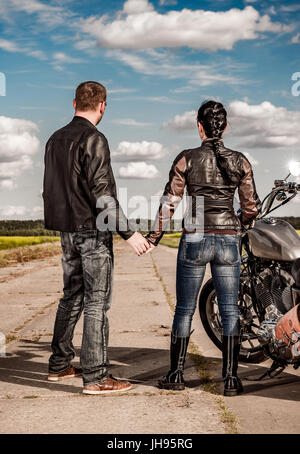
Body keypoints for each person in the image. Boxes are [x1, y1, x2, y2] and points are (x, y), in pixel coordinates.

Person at [146, 100, 262, 396]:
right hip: (228, 239)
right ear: (224, 127)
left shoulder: (187, 158)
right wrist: (237, 222)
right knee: (229, 310)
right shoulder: (240, 161)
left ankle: (175, 375)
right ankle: (232, 380)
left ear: (200, 127)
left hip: (195, 237)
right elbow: (251, 208)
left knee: (184, 309)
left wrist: (153, 237)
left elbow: (169, 202)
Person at [43, 81, 150, 395]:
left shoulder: (54, 139)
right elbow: (102, 195)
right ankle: (97, 377)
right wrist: (129, 233)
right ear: (103, 105)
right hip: (91, 231)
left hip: (66, 231)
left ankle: (60, 365)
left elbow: (52, 189)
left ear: (74, 102)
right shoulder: (94, 138)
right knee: (96, 304)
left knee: (71, 298)